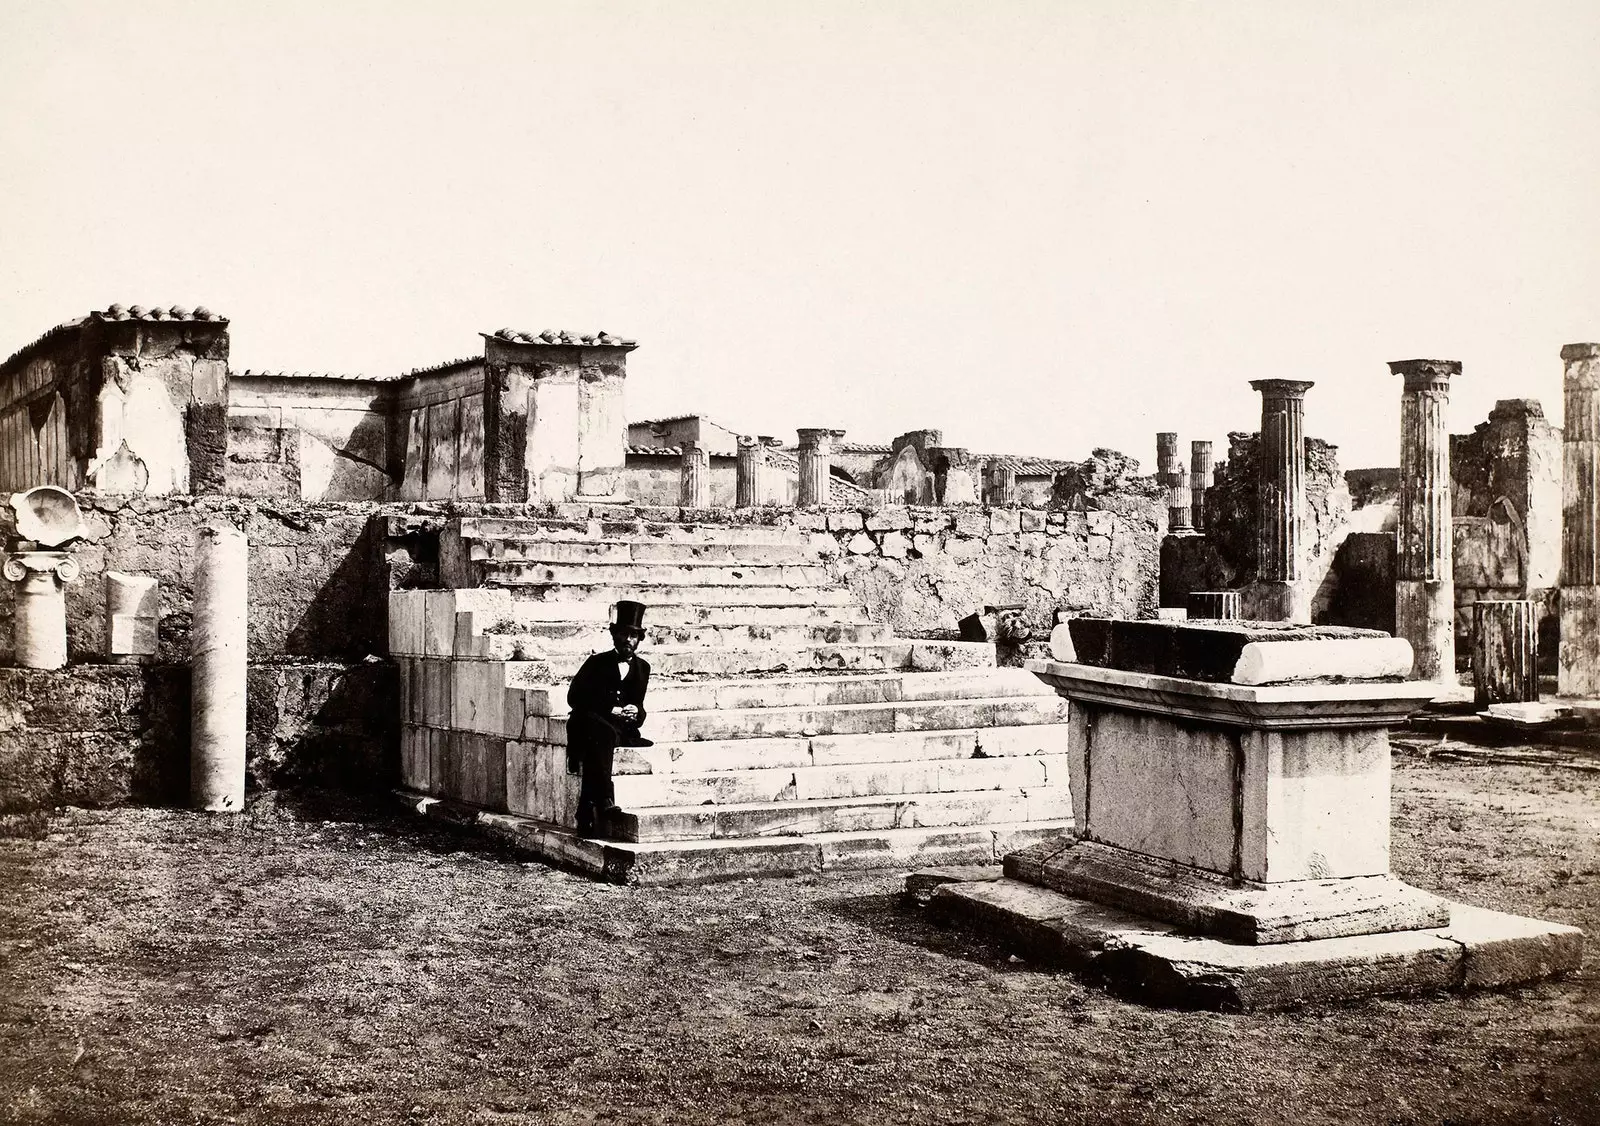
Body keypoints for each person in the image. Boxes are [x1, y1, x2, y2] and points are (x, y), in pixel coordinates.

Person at [565, 600, 652, 838]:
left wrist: (636, 712)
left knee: (603, 739)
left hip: (616, 727)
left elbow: (640, 704)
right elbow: (574, 698)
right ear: (614, 636)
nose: (628, 641)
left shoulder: (643, 668)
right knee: (601, 734)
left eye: (634, 636)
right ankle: (604, 798)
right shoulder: (596, 662)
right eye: (623, 634)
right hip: (587, 721)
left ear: (639, 640)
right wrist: (609, 709)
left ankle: (585, 812)